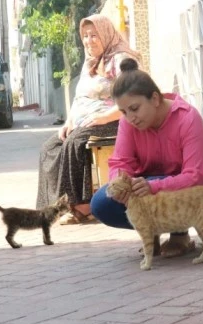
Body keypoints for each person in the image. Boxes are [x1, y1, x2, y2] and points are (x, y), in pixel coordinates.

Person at [90, 57, 203, 257]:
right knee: (100, 204)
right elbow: (121, 162)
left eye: (134, 108)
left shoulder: (188, 118)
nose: (130, 118)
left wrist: (154, 187)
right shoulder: (127, 123)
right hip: (143, 187)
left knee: (160, 184)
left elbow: (196, 176)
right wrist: (120, 184)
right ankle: (151, 234)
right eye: (123, 112)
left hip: (184, 192)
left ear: (155, 99)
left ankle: (179, 234)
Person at [36, 14, 141, 224]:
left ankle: (82, 206)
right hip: (87, 121)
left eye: (94, 35)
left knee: (75, 143)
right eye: (85, 36)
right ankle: (56, 206)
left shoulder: (120, 59)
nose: (89, 40)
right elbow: (79, 97)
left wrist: (103, 118)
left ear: (106, 34)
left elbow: (134, 97)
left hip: (115, 120)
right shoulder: (91, 62)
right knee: (50, 147)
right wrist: (68, 122)